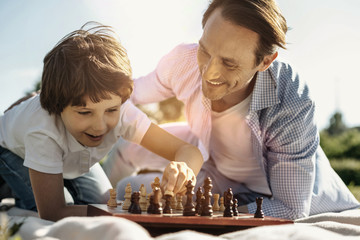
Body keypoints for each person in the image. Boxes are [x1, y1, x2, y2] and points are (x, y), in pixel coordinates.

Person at [102, 0, 360, 220]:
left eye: (229, 63)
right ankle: (89, 202)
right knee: (125, 152)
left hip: (264, 191)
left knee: (131, 188)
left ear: (265, 62)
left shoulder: (290, 99)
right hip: (209, 154)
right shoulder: (184, 61)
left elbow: (291, 209)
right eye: (205, 50)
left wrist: (212, 212)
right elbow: (129, 93)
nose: (209, 72)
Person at [0, 22, 204, 221]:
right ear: (58, 107)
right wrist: (125, 215)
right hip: (13, 150)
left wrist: (184, 168)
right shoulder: (41, 130)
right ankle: (15, 186)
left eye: (111, 110)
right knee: (58, 211)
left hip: (73, 157)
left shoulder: (122, 111)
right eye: (84, 112)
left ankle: (51, 174)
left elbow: (190, 151)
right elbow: (53, 211)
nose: (100, 126)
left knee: (103, 202)